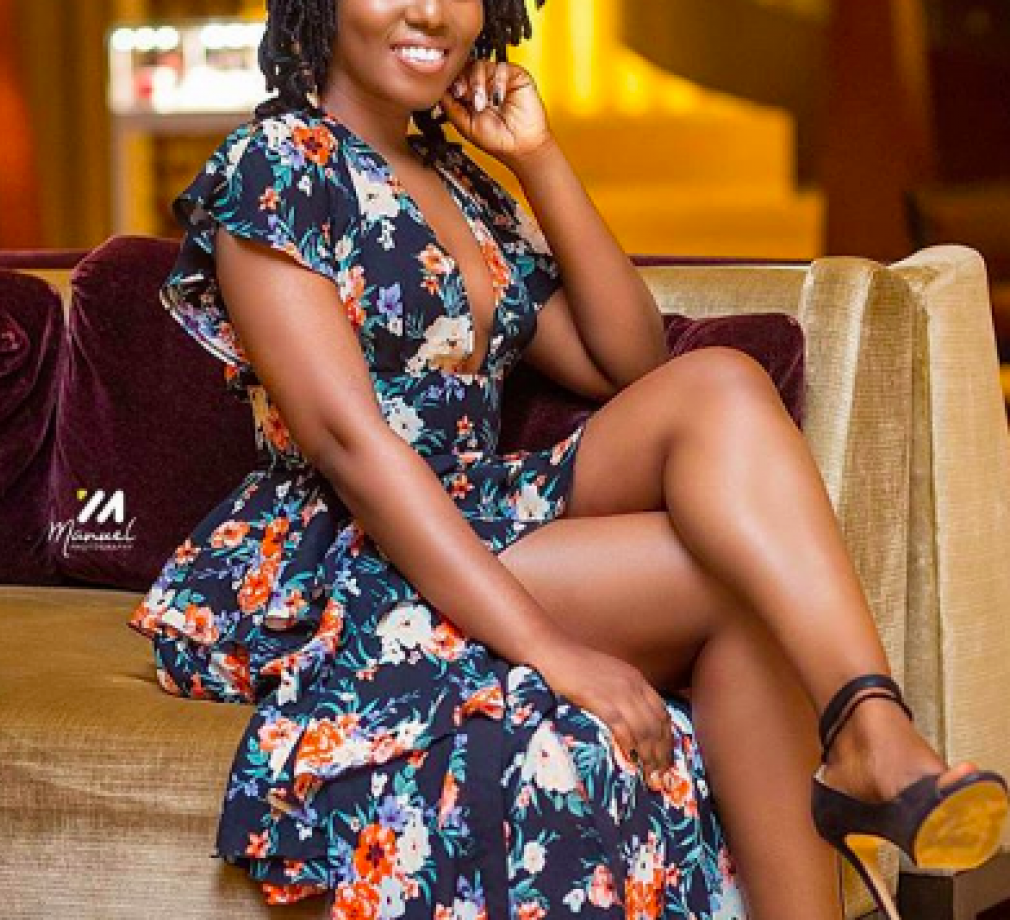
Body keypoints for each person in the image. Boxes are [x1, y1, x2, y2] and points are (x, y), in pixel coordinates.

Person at [128, 0, 1009, 917]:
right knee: (741, 586)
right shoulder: (276, 164)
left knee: (721, 383)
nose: (430, 11)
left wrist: (539, 159)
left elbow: (629, 363)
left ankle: (870, 724)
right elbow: (351, 447)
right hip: (343, 550)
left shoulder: (458, 182)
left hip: (474, 505)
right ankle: (864, 752)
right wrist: (557, 655)